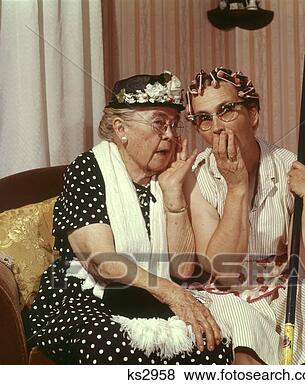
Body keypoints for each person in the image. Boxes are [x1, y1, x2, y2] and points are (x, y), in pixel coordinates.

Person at [28, 72, 233, 365]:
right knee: (107, 342)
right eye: (159, 122)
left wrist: (173, 194)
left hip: (149, 302)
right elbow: (103, 262)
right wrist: (170, 293)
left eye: (174, 125)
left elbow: (184, 269)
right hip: (87, 300)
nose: (170, 135)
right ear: (121, 128)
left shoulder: (168, 178)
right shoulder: (88, 169)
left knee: (214, 343)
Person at [184, 67, 305, 364]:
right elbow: (224, 269)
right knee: (240, 325)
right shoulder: (196, 177)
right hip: (225, 294)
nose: (216, 126)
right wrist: (237, 187)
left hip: (282, 288)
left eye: (226, 110)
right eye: (204, 118)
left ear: (253, 115)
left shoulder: (289, 168)